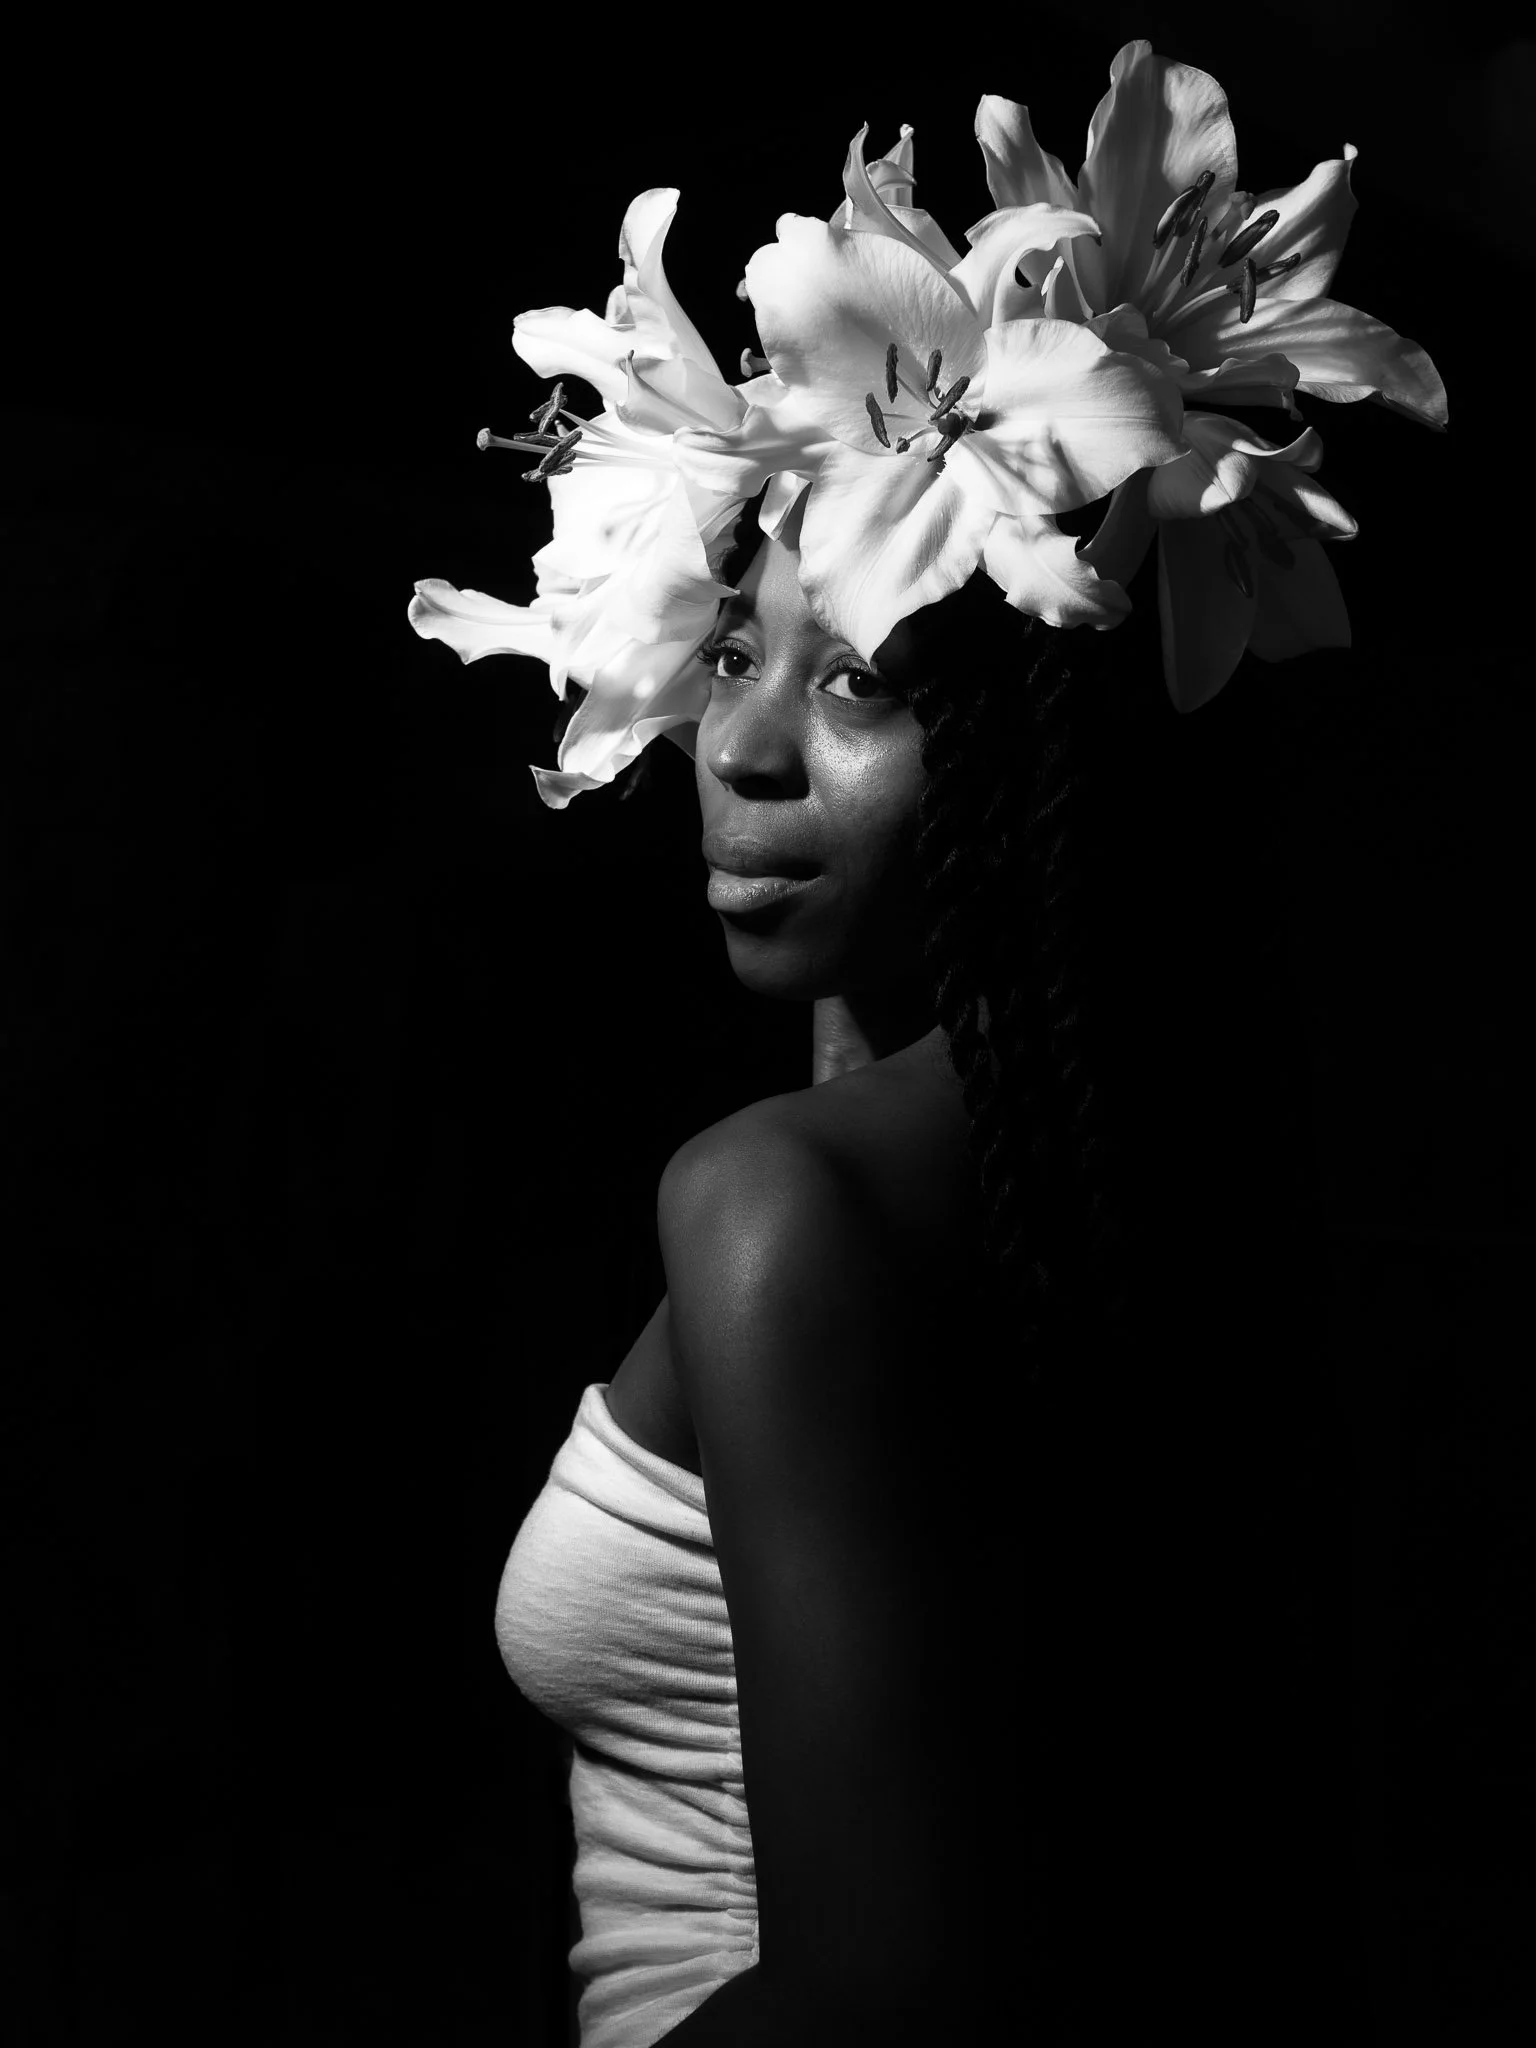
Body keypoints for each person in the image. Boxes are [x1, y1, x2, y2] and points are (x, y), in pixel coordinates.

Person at [411, 40, 1444, 2046]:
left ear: (1025, 742)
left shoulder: (778, 1200)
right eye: (732, 646)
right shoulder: (1132, 1167)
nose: (741, 745)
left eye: (864, 684)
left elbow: (896, 1995)